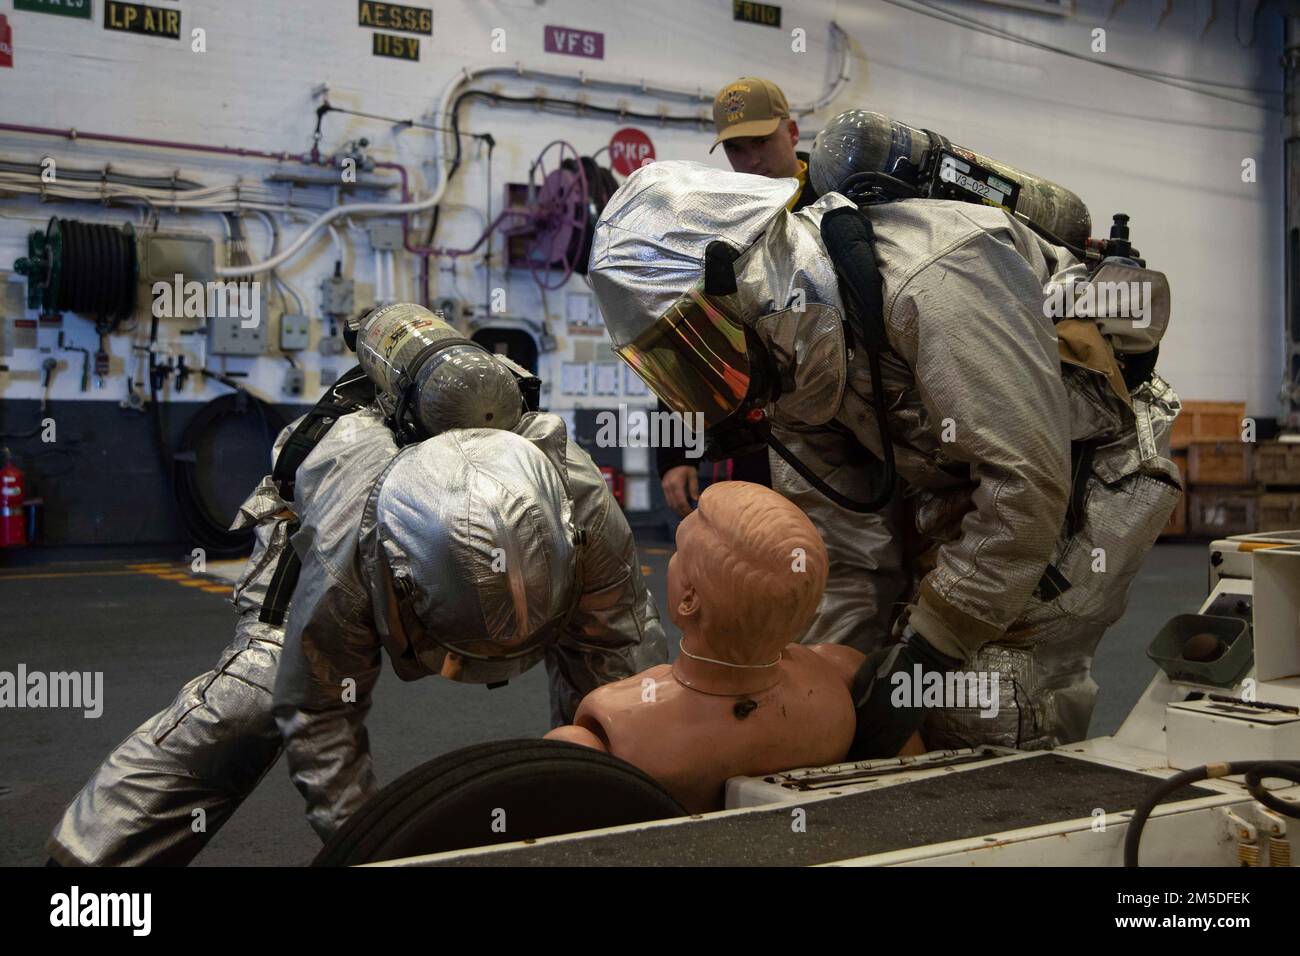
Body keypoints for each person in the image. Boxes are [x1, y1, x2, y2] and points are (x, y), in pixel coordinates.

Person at [587, 159, 1182, 757]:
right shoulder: (788, 362)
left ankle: (1012, 827)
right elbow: (846, 549)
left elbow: (1025, 487)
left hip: (1092, 461)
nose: (695, 373)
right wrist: (834, 691)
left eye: (693, 339)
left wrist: (926, 653)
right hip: (954, 469)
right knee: (884, 672)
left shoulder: (936, 280)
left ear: (735, 281)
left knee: (982, 690)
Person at [47, 304, 665, 864]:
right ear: (399, 579)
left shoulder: (580, 502)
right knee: (255, 694)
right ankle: (87, 869)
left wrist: (630, 819)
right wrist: (377, 850)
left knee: (613, 684)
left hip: (476, 506)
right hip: (319, 506)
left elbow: (622, 656)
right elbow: (317, 712)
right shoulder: (348, 542)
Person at [546, 481, 921, 813]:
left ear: (688, 600)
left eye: (677, 553)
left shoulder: (611, 726)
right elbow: (912, 798)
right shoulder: (844, 677)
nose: (671, 562)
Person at [657, 77, 818, 517]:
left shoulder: (842, 200)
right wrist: (677, 453)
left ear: (793, 132)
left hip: (849, 431)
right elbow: (689, 337)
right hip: (759, 438)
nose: (752, 161)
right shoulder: (720, 226)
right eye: (736, 149)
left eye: (762, 142)